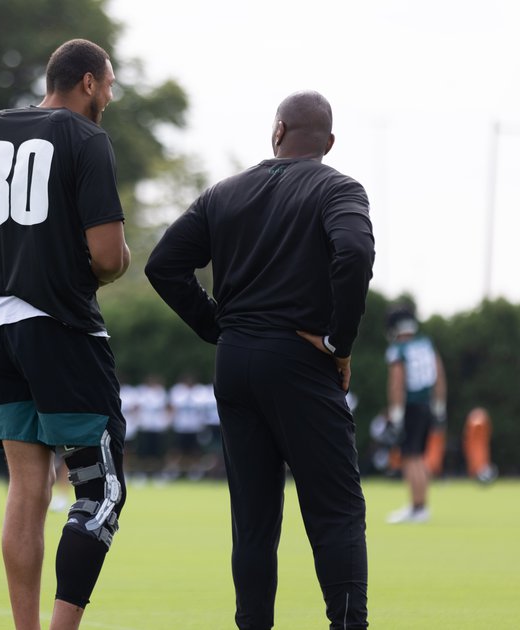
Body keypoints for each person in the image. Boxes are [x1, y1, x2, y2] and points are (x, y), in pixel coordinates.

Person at [145, 90, 373, 629]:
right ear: (329, 143)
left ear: (277, 132)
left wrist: (217, 326)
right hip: (299, 359)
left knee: (252, 521)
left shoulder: (224, 193)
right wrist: (340, 343)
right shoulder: (337, 187)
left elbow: (163, 265)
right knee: (335, 509)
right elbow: (355, 254)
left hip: (236, 362)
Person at [0, 38, 131, 630]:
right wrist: (106, 265)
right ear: (87, 81)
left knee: (26, 488)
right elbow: (108, 256)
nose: (109, 95)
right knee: (99, 490)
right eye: (108, 83)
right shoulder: (86, 139)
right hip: (59, 328)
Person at [384, 306, 447, 524]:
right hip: (427, 405)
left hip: (410, 406)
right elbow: (439, 375)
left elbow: (397, 383)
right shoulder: (427, 344)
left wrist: (396, 414)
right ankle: (420, 506)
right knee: (419, 456)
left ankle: (416, 507)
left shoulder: (398, 349)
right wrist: (439, 406)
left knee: (410, 458)